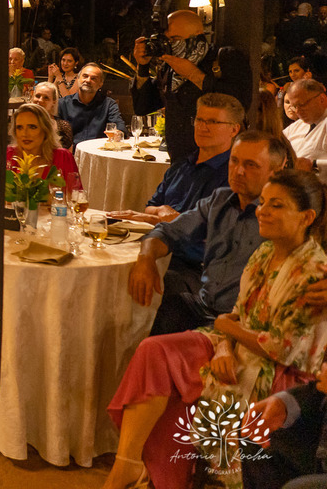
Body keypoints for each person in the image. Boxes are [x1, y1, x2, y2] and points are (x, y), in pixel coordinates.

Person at [103, 169, 327, 489]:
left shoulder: (314, 272)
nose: (261, 211)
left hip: (280, 373)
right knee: (155, 356)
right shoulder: (264, 253)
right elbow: (238, 312)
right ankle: (130, 468)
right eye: (263, 202)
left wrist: (225, 329)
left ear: (306, 217)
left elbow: (281, 348)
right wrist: (225, 340)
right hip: (237, 347)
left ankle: (163, 477)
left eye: (276, 205)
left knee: (175, 397)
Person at [128, 131, 289, 337]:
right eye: (234, 161)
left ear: (274, 173)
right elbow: (170, 231)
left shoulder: (281, 218)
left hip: (243, 321)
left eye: (251, 165)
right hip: (203, 307)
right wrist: (146, 259)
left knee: (156, 349)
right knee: (152, 321)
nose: (238, 171)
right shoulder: (221, 199)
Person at [132, 8, 253, 165]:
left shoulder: (223, 58)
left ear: (197, 34)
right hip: (179, 161)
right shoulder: (170, 67)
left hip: (218, 162)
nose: (171, 45)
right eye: (166, 40)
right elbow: (142, 107)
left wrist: (193, 74)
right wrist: (142, 67)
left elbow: (240, 103)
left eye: (175, 39)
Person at [112, 93, 242, 228]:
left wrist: (170, 220)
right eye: (199, 120)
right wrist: (160, 211)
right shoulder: (181, 165)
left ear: (234, 129)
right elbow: (150, 207)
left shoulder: (235, 175)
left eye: (213, 122)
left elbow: (217, 230)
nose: (202, 127)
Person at [5, 102, 81, 187]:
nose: (25, 134)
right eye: (19, 127)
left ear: (45, 130)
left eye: (32, 127)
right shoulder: (8, 156)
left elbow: (76, 195)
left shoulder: (63, 157)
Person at [56, 63, 126, 145]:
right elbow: (55, 134)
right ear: (78, 79)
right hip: (71, 154)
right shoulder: (62, 104)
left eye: (93, 78)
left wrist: (118, 133)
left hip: (99, 153)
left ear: (100, 84)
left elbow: (120, 127)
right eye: (85, 76)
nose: (88, 80)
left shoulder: (108, 104)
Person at [284, 79, 327, 173]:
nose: (297, 111)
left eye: (302, 105)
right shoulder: (295, 127)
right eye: (295, 106)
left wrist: (314, 164)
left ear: (322, 99)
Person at [30, 81, 74, 149]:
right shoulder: (22, 123)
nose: (40, 100)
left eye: (46, 98)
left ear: (54, 101)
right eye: (37, 96)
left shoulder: (63, 127)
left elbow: (67, 157)